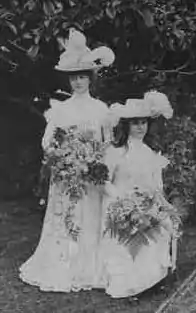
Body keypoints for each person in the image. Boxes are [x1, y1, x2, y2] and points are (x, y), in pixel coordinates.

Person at [19, 29, 115, 292]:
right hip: (66, 175)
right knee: (66, 218)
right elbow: (47, 142)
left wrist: (95, 161)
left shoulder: (101, 109)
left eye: (83, 77)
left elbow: (108, 143)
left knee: (89, 218)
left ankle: (88, 264)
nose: (78, 82)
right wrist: (63, 157)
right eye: (74, 77)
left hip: (91, 175)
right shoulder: (60, 109)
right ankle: (63, 263)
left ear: (90, 79)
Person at [100, 93, 177, 298]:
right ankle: (132, 282)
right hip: (118, 204)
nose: (140, 127)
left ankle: (155, 278)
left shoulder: (151, 153)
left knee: (161, 226)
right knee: (130, 230)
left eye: (143, 122)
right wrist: (122, 201)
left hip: (145, 204)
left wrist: (162, 206)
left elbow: (156, 187)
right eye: (135, 123)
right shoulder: (115, 152)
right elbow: (104, 181)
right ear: (126, 126)